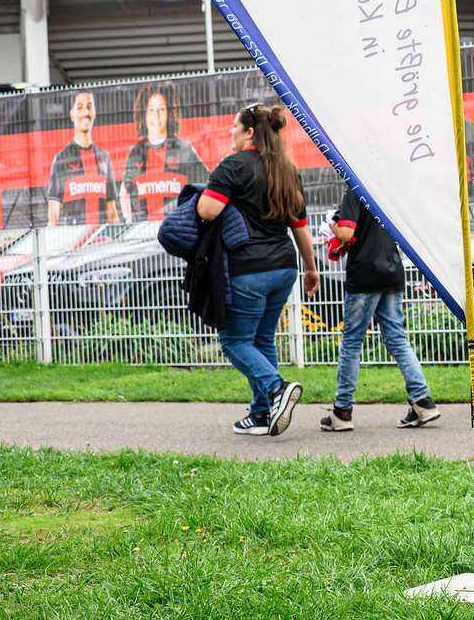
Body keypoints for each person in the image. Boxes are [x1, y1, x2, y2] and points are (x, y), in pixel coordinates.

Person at [196, 103, 317, 437]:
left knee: (234, 341)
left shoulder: (233, 167)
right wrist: (311, 268)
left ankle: (277, 389)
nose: (230, 132)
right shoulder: (286, 169)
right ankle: (262, 413)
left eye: (235, 127)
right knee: (262, 339)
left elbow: (207, 211)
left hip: (247, 269)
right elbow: (300, 226)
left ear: (250, 132)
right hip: (283, 268)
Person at [319, 188, 439, 431]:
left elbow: (346, 231)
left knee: (352, 342)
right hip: (392, 270)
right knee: (397, 338)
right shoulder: (386, 189)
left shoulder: (354, 190)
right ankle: (423, 401)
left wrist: (331, 226)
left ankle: (342, 411)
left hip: (364, 273)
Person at [117, 84, 208, 222]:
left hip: (175, 228)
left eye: (162, 109)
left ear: (169, 113)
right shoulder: (136, 152)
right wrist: (129, 222)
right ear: (144, 114)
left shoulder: (183, 149)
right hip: (142, 233)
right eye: (151, 110)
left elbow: (205, 185)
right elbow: (124, 191)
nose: (156, 115)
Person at [46, 90, 119, 226]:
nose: (86, 112)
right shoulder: (61, 159)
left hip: (103, 242)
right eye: (80, 107)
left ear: (94, 112)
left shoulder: (104, 157)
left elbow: (112, 212)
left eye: (89, 106)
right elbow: (53, 214)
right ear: (72, 114)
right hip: (74, 242)